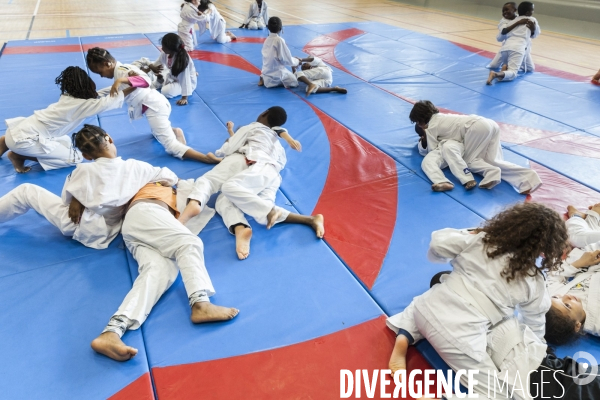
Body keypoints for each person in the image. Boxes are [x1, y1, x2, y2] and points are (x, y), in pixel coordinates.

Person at [385, 202, 568, 400]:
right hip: (457, 336)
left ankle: (404, 336)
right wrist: (538, 350)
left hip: (424, 310)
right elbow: (535, 322)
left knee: (438, 293)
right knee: (501, 395)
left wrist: (476, 233)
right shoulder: (534, 279)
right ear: (545, 249)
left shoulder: (482, 240)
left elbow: (438, 242)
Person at [91, 180, 239, 361]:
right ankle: (200, 302)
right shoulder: (154, 185)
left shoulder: (168, 195)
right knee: (189, 243)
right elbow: (198, 194)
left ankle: (112, 332)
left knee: (160, 271)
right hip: (145, 213)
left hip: (137, 229)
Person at [0, 125, 180, 249]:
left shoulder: (84, 171)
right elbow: (171, 177)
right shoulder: (138, 167)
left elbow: (66, 201)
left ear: (86, 156)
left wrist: (78, 198)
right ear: (109, 138)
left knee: (26, 191)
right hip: (110, 228)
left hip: (77, 224)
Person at [178, 107, 324, 259]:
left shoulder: (252, 126)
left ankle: (192, 207)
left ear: (264, 113)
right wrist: (231, 132)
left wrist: (226, 143)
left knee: (213, 183)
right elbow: (271, 140)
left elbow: (230, 148)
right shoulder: (278, 144)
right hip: (271, 176)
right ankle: (243, 227)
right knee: (226, 200)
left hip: (249, 161)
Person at [85, 47, 218, 164]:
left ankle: (206, 158)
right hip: (156, 104)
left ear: (107, 64)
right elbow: (120, 87)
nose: (101, 76)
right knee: (156, 133)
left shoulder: (121, 73)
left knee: (170, 146)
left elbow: (146, 81)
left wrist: (120, 80)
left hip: (156, 107)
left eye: (99, 72)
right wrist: (97, 93)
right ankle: (174, 131)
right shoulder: (121, 69)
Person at [0, 66, 125, 173]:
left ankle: (6, 142)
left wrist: (121, 84)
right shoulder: (83, 105)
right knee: (75, 158)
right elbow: (108, 102)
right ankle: (19, 155)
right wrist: (133, 86)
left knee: (66, 141)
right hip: (23, 141)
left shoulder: (69, 96)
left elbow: (100, 95)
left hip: (20, 131)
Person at [409, 100, 542, 193]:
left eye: (418, 123)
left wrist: (425, 139)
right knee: (492, 160)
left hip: (475, 129)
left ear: (421, 120)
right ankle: (528, 179)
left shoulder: (431, 126)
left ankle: (493, 172)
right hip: (489, 124)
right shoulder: (443, 117)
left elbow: (433, 151)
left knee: (469, 161)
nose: (420, 126)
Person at [135, 33, 197, 106]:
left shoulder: (183, 61)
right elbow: (157, 63)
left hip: (184, 82)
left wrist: (184, 98)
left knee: (165, 92)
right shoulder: (166, 52)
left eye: (163, 46)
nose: (162, 48)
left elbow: (185, 80)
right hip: (172, 75)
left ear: (171, 49)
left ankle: (193, 74)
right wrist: (146, 71)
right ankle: (161, 80)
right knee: (158, 71)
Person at [487, 1, 540, 85]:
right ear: (528, 12)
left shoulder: (514, 20)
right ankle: (496, 74)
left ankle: (506, 66)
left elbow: (533, 34)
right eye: (503, 11)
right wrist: (518, 23)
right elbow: (500, 36)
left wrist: (532, 29)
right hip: (516, 48)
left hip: (511, 48)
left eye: (507, 10)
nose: (505, 13)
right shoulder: (508, 22)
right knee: (508, 72)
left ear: (515, 10)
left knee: (530, 68)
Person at [258, 17, 300, 88]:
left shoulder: (267, 40)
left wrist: (294, 60)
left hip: (266, 72)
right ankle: (266, 78)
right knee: (294, 81)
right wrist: (297, 61)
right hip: (276, 76)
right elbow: (285, 59)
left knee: (269, 66)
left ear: (268, 28)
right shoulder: (279, 40)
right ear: (280, 29)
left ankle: (263, 77)